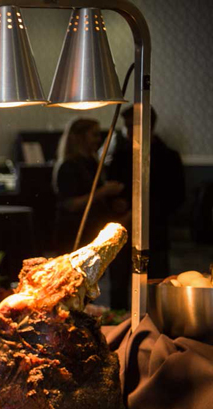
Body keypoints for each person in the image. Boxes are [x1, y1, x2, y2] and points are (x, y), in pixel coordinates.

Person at [53, 117, 130, 307]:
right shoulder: (68, 166)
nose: (98, 139)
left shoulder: (91, 162)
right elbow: (71, 203)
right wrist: (104, 192)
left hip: (92, 230)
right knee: (75, 286)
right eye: (94, 134)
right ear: (79, 137)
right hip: (75, 232)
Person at [106, 106, 186, 279]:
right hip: (122, 231)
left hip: (154, 230)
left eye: (132, 126)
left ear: (147, 126)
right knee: (118, 283)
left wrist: (143, 209)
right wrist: (116, 202)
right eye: (126, 126)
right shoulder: (120, 156)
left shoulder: (168, 157)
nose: (128, 132)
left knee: (154, 282)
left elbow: (177, 196)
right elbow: (111, 188)